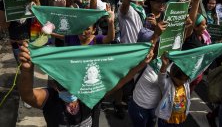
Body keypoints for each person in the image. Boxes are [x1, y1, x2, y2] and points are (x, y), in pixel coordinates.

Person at [18, 41, 154, 126]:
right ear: (55, 83)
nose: (69, 87)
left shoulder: (89, 93)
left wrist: (141, 64)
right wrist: (27, 70)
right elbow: (27, 95)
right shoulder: (51, 98)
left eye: (73, 81)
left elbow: (120, 82)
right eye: (64, 82)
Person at [155, 54, 190, 127]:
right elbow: (161, 78)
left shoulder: (185, 83)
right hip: (167, 121)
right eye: (180, 80)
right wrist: (164, 66)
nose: (182, 82)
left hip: (180, 119)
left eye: (185, 80)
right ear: (172, 75)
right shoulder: (167, 84)